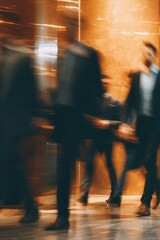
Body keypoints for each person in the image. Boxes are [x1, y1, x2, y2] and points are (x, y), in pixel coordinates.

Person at [45, 12, 103, 231]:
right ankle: (62, 217)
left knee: (68, 164)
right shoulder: (62, 55)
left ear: (78, 26)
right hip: (64, 120)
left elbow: (97, 88)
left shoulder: (89, 54)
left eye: (70, 23)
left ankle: (63, 216)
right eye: (64, 23)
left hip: (79, 120)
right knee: (63, 167)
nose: (66, 27)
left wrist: (89, 114)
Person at [118, 42, 160, 216]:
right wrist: (125, 122)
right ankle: (158, 184)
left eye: (150, 54)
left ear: (155, 56)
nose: (147, 56)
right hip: (141, 125)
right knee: (144, 161)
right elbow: (129, 102)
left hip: (157, 125)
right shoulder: (137, 77)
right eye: (145, 54)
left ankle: (145, 203)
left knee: (150, 157)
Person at [0, 10, 39, 223]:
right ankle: (31, 207)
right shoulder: (2, 54)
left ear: (13, 26)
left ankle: (30, 207)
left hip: (15, 121)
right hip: (2, 120)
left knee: (8, 161)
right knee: (13, 164)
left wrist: (33, 116)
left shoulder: (23, 55)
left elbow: (33, 90)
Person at [77, 76, 122, 206]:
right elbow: (84, 117)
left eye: (107, 83)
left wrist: (106, 123)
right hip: (94, 138)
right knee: (90, 165)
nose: (104, 85)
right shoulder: (93, 101)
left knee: (110, 166)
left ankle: (115, 195)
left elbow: (120, 122)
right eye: (102, 83)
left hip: (107, 139)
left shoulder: (115, 102)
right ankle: (84, 194)